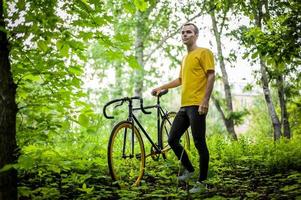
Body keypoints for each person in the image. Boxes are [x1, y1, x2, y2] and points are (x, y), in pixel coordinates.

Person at [151, 23, 215, 193]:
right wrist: (161, 87)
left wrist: (205, 101)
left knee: (199, 142)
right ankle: (190, 170)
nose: (185, 35)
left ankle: (202, 183)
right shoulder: (185, 58)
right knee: (172, 139)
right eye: (183, 32)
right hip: (185, 106)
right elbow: (180, 80)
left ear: (196, 35)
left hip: (197, 105)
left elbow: (211, 76)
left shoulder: (204, 52)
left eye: (188, 32)